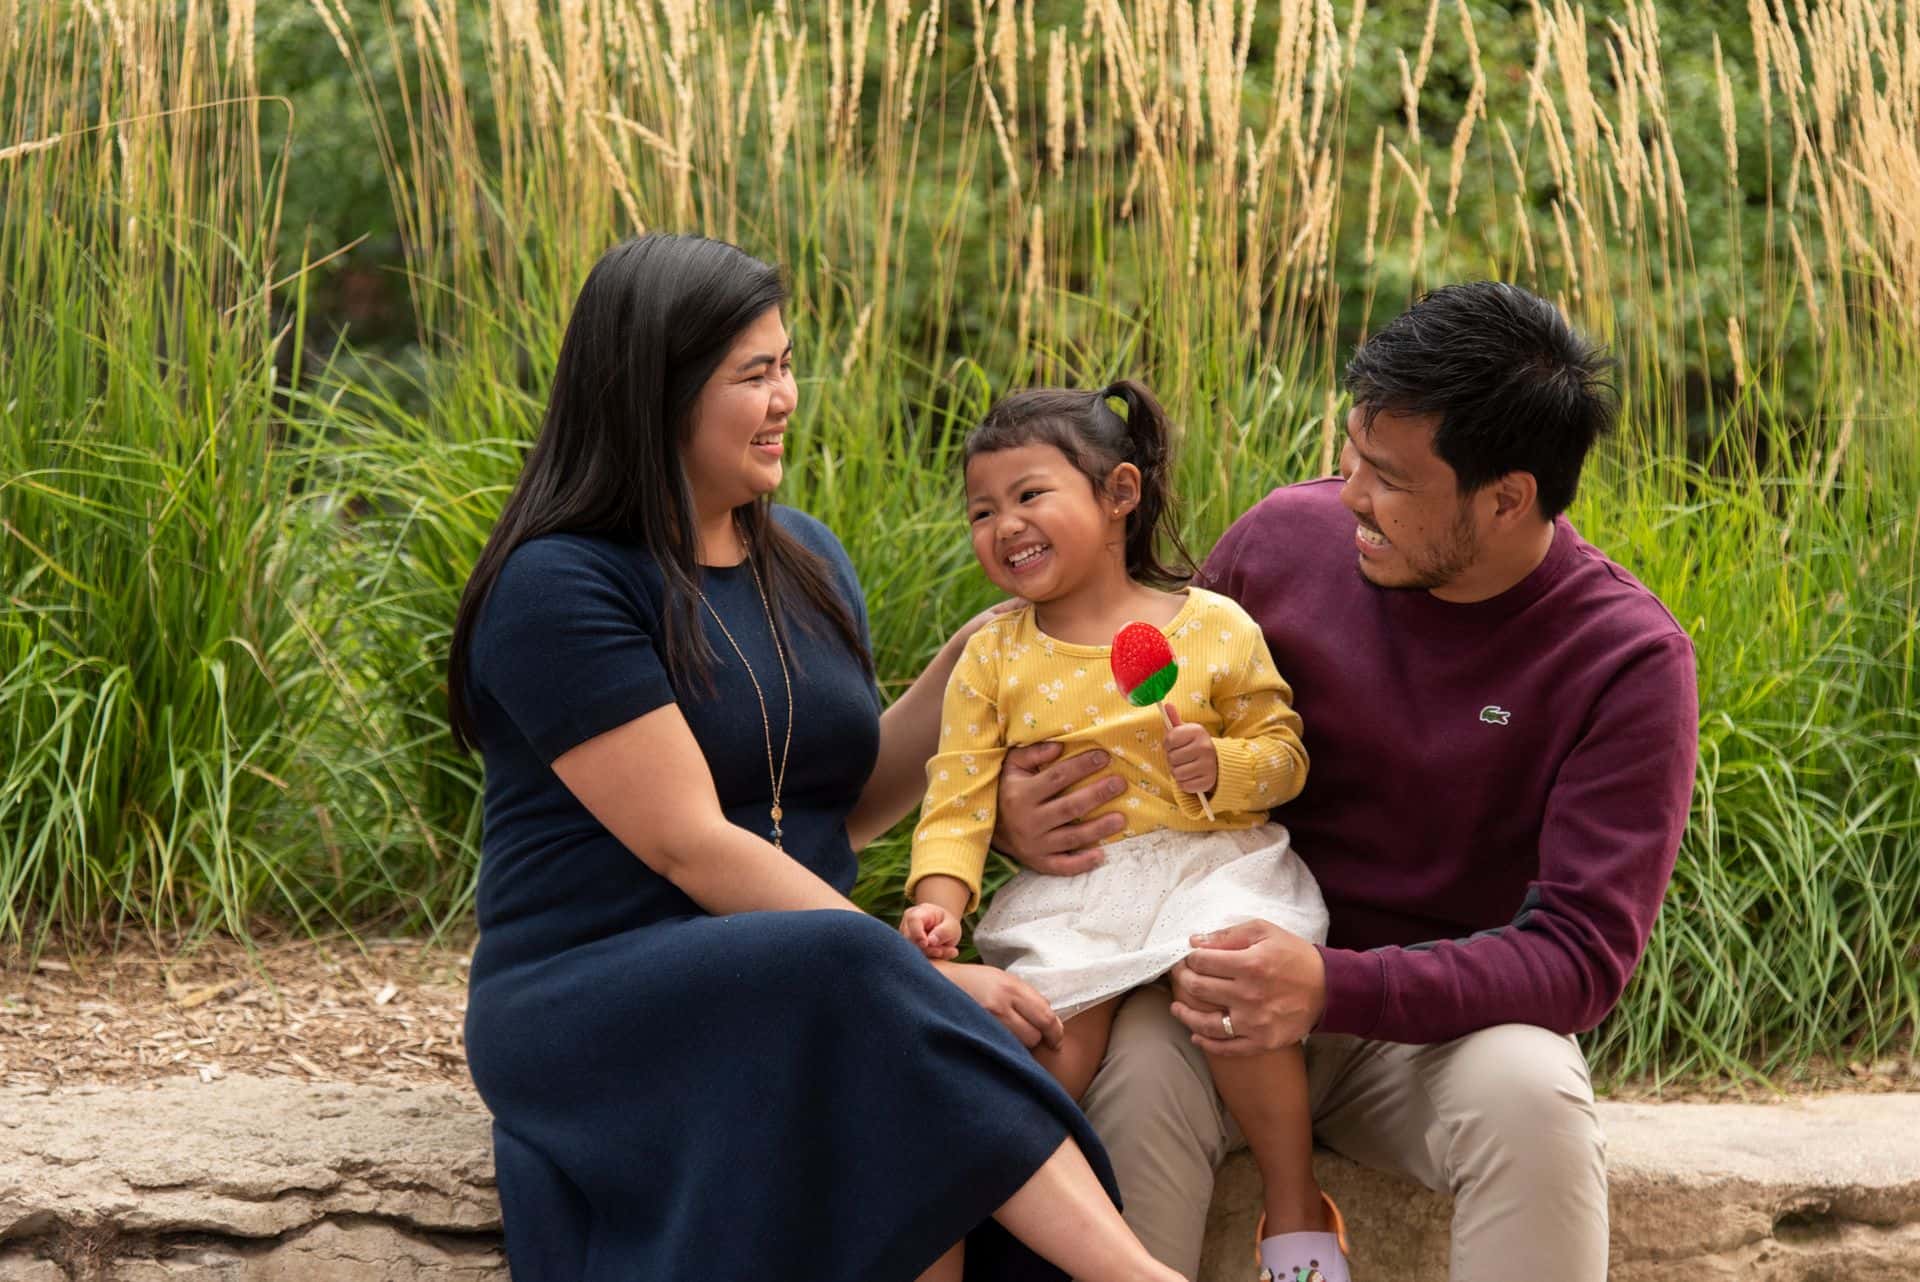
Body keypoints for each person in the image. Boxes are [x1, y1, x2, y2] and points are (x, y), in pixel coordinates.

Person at [447, 233, 1184, 1282]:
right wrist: (919, 982)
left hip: (805, 970)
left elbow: (843, 798)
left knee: (898, 1039)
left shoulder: (804, 556)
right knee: (859, 986)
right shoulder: (559, 586)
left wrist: (979, 662)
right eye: (755, 374)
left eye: (786, 363)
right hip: (599, 988)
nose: (787, 394)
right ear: (657, 390)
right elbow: (693, 846)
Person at [989, 283, 1699, 1282]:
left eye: (1392, 478)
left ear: (1508, 498)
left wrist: (1330, 985)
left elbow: (1581, 958)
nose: (1352, 494)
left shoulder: (1622, 657)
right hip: (1213, 986)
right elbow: (1138, 723)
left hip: (1434, 1031)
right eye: (1354, 452)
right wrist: (1023, 817)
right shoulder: (1285, 539)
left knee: (1535, 1102)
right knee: (1138, 1077)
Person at [898, 381, 1350, 1282]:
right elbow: (957, 800)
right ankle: (974, 1200)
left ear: (1119, 494)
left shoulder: (1212, 627)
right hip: (1083, 890)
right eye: (981, 510)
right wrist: (937, 905)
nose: (1003, 525)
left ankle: (1295, 1207)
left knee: (1227, 985)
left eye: (1030, 495)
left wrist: (1222, 767)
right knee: (1050, 1033)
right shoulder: (994, 655)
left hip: (1210, 867)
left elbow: (1283, 751)